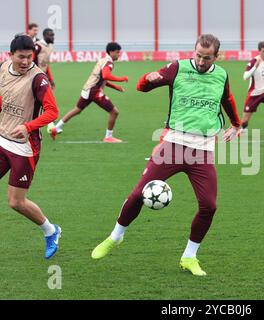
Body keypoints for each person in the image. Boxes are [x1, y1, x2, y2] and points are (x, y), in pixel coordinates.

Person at [91, 34, 241, 276]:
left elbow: (228, 98)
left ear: (217, 56)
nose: (201, 62)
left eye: (207, 58)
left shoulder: (221, 74)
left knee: (209, 206)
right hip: (173, 143)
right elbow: (142, 86)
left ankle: (189, 257)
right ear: (194, 51)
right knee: (138, 194)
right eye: (198, 56)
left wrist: (236, 124)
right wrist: (147, 80)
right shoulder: (177, 67)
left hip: (202, 150)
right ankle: (115, 237)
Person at [0, 35, 61, 258]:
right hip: (1, 138)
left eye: (29, 57)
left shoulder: (38, 79)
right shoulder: (4, 67)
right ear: (10, 56)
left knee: (15, 202)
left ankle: (51, 231)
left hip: (24, 148)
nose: (26, 62)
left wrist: (28, 126)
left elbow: (53, 112)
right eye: (21, 57)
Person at [48, 42, 128, 142]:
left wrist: (116, 87)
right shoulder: (109, 63)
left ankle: (56, 128)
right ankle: (108, 137)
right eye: (117, 52)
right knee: (114, 112)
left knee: (77, 109)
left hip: (87, 89)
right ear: (111, 52)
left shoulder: (103, 60)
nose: (118, 54)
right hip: (94, 91)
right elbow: (106, 76)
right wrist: (121, 79)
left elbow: (102, 78)